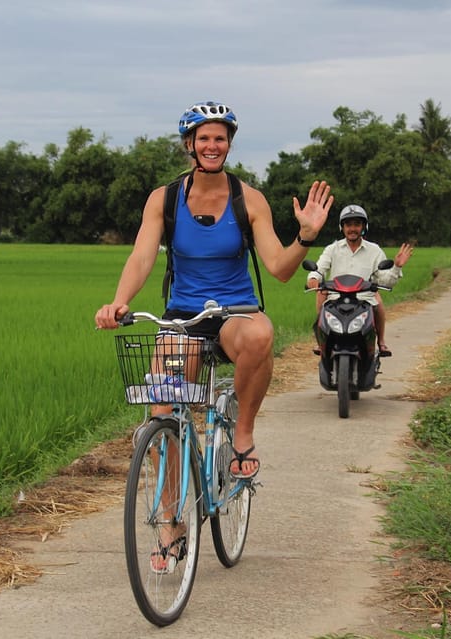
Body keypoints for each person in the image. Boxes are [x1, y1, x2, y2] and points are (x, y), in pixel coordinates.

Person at [95, 99, 333, 482]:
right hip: (182, 319)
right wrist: (119, 302)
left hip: (235, 313)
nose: (212, 145)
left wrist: (305, 235)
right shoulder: (165, 199)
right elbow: (142, 257)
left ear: (229, 144)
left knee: (261, 333)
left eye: (220, 138)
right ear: (189, 144)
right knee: (164, 416)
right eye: (203, 137)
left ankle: (242, 432)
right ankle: (171, 528)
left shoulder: (249, 200)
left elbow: (280, 269)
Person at [306, 204, 413, 356]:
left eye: (357, 224)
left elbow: (386, 280)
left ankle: (381, 342)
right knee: (320, 293)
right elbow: (319, 268)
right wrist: (313, 278)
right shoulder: (332, 249)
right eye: (348, 224)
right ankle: (321, 340)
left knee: (378, 302)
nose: (352, 229)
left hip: (364, 300)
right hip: (336, 298)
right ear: (342, 227)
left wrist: (396, 266)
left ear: (364, 226)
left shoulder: (374, 250)